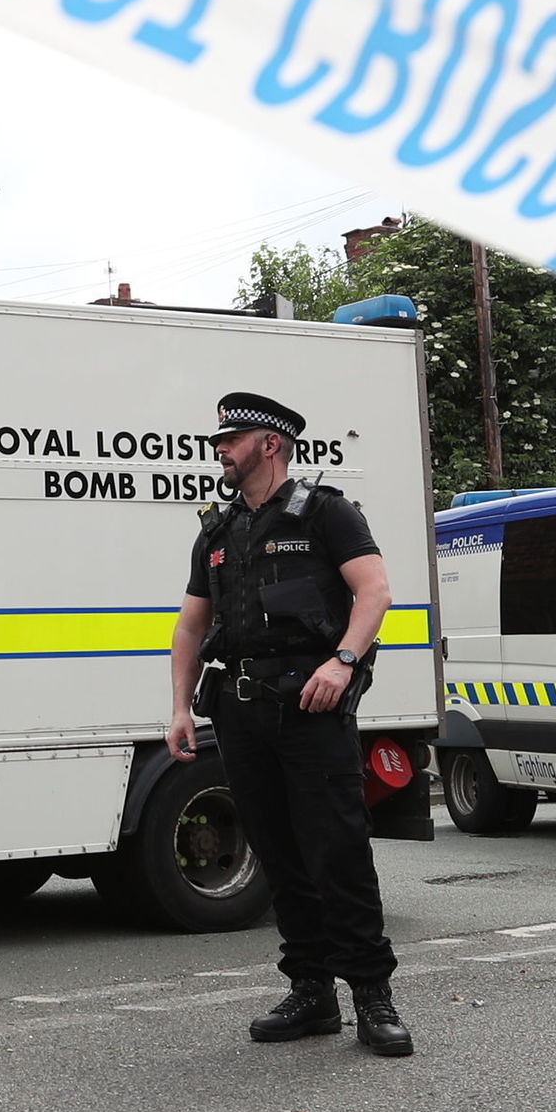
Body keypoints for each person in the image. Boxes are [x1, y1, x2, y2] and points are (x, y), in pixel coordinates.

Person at [164, 391, 408, 1057]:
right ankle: (311, 993)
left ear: (268, 444)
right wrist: (180, 707)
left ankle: (371, 997)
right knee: (277, 854)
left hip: (311, 707)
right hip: (239, 711)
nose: (219, 449)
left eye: (229, 439)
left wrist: (342, 660)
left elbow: (375, 590)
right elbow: (191, 623)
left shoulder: (325, 513)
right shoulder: (216, 531)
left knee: (337, 852)